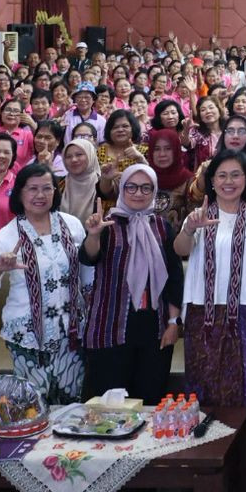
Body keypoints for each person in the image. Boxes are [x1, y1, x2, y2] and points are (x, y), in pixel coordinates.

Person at [0, 163, 89, 405]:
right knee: (33, 405)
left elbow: (88, 274)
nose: (40, 195)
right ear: (19, 193)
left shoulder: (73, 225)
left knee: (72, 401)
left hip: (71, 332)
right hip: (26, 335)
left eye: (47, 188)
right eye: (32, 189)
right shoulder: (8, 234)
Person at [176, 150, 246, 424]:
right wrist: (189, 229)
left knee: (244, 384)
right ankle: (204, 452)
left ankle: (240, 454)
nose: (228, 182)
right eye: (222, 175)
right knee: (202, 382)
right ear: (212, 180)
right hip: (201, 312)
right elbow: (180, 249)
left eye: (235, 175)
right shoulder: (198, 216)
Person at [78, 163, 183, 405]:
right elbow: (88, 258)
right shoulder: (106, 223)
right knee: (109, 407)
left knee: (149, 402)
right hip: (109, 326)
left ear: (154, 192)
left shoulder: (162, 226)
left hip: (154, 328)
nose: (138, 193)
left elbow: (174, 277)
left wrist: (173, 322)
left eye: (146, 188)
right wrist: (93, 235)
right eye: (132, 187)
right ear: (122, 189)